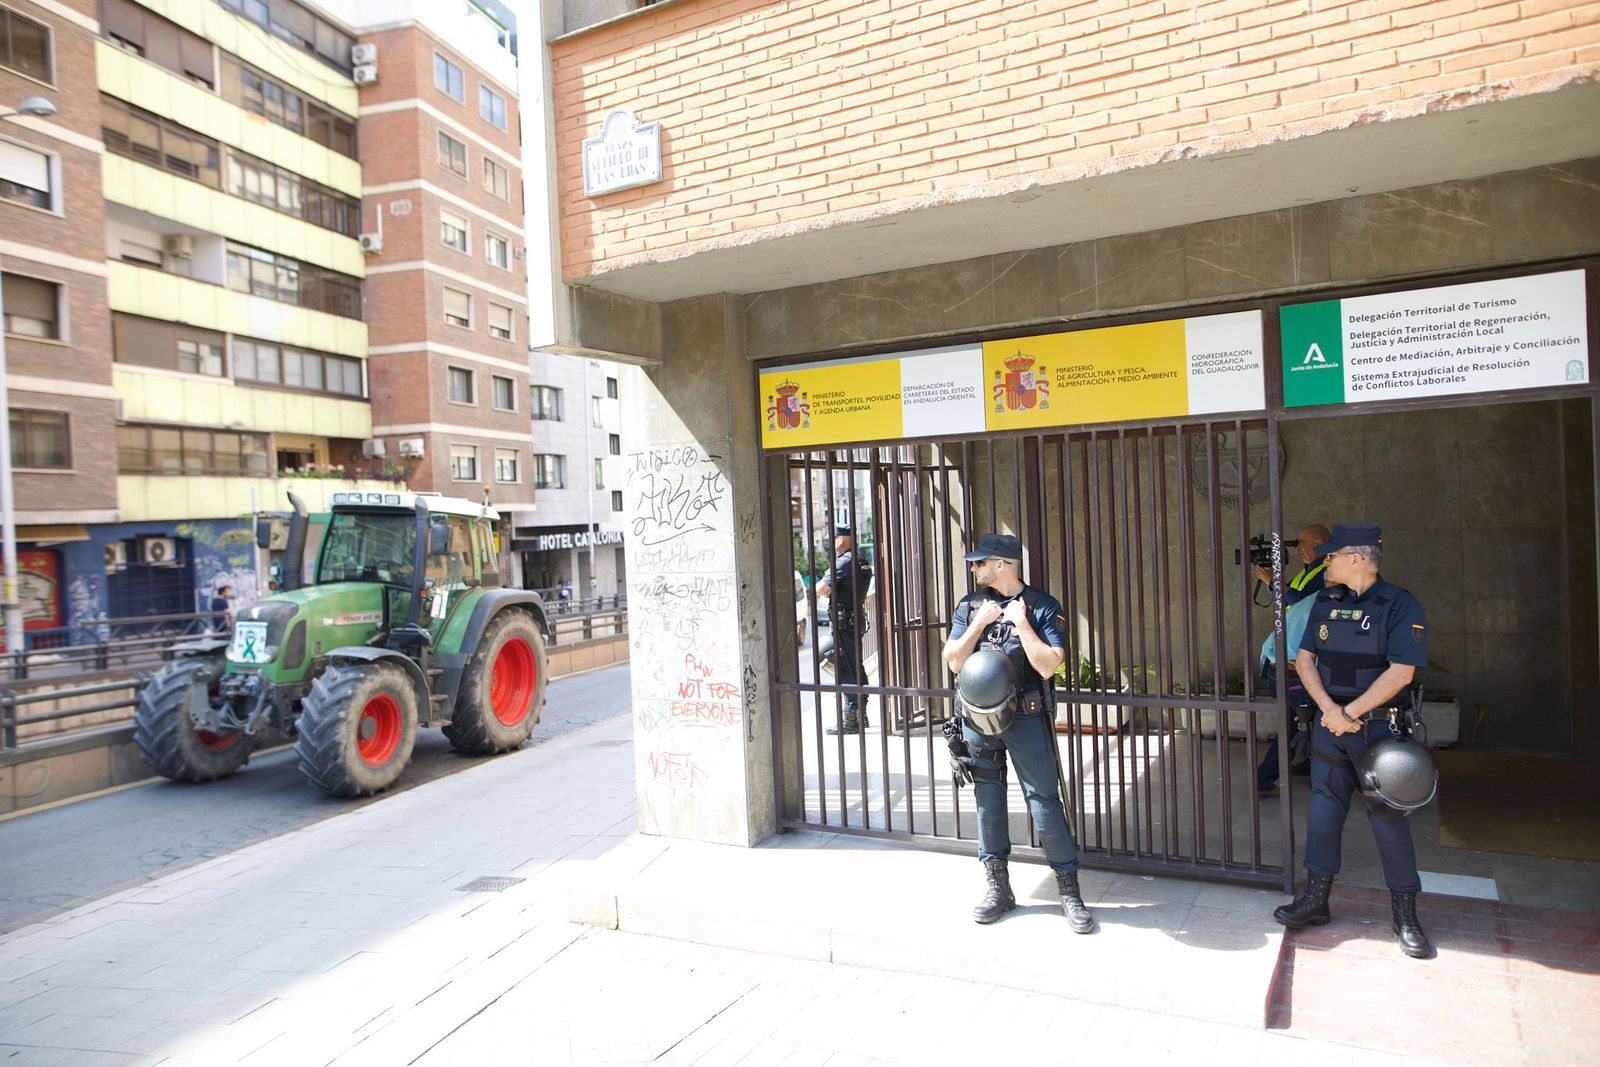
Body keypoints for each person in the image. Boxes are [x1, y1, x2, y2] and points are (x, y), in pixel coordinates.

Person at [1273, 523, 1433, 959]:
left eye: (1332, 556)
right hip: (1331, 725)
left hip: (1379, 731)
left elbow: (1401, 671)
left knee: (1388, 818)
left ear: (1357, 559)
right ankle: (1317, 900)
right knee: (1324, 809)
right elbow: (1303, 659)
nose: (1325, 562)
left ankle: (1405, 914)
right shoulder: (1326, 601)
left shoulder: (1400, 605)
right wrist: (1330, 710)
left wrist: (1350, 713)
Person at [942, 532, 1094, 933]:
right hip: (978, 721)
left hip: (1026, 719)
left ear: (1002, 565)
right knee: (987, 803)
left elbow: (1049, 666)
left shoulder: (1043, 607)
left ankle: (1068, 891)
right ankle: (998, 889)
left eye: (980, 562)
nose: (973, 568)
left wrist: (1022, 623)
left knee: (1044, 802)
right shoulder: (970, 605)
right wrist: (977, 624)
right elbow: (954, 661)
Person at [1256, 523, 1331, 795]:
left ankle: (1273, 775)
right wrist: (1274, 584)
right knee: (1301, 719)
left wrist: (1274, 582)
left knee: (1300, 720)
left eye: (1301, 542)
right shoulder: (1313, 573)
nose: (1297, 548)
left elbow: (1298, 600)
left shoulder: (1325, 574)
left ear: (1321, 543)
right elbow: (1293, 603)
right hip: (1294, 659)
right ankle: (1266, 778)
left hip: (1296, 658)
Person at [817, 525, 871, 734]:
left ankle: (851, 720)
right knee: (855, 665)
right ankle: (861, 715)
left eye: (835, 538)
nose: (834, 542)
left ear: (841, 540)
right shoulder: (861, 559)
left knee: (846, 668)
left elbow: (822, 589)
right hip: (854, 619)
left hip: (844, 623)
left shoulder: (845, 561)